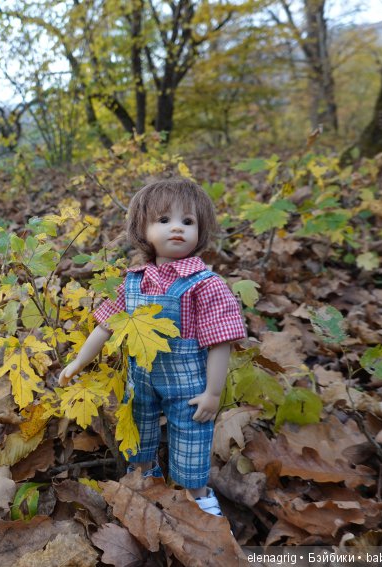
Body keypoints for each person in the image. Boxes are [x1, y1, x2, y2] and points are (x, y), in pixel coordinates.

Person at [58, 177, 246, 516]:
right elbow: (106, 326)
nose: (177, 229)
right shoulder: (134, 280)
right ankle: (145, 481)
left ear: (200, 230)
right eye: (164, 220)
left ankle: (198, 498)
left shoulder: (205, 285)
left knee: (191, 440)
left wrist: (213, 393)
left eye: (188, 222)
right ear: (142, 229)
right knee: (138, 437)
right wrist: (78, 363)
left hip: (188, 384)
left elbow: (220, 341)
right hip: (140, 380)